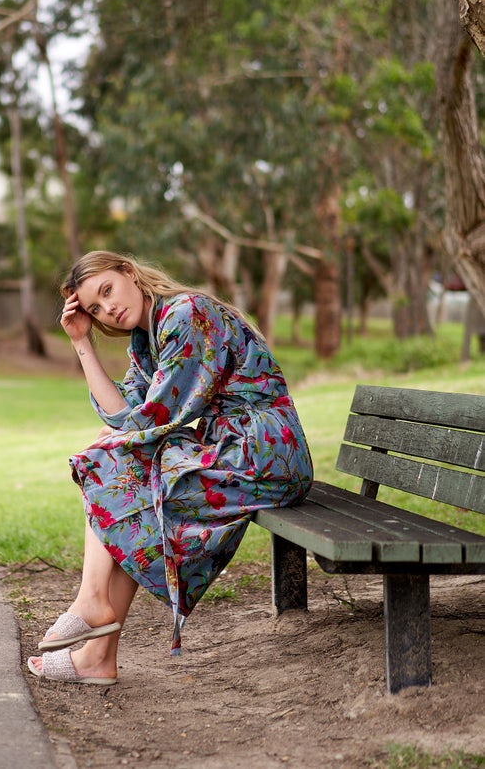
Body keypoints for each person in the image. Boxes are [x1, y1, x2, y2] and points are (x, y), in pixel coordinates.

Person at [27, 251, 313, 685]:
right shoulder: (145, 341)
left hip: (265, 453)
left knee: (114, 466)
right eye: (96, 308)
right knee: (128, 487)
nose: (108, 308)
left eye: (108, 290)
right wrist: (81, 343)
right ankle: (98, 652)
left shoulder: (185, 314)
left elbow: (153, 417)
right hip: (232, 449)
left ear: (128, 272)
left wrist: (113, 442)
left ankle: (92, 611)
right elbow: (123, 414)